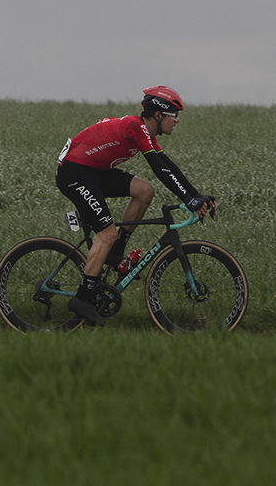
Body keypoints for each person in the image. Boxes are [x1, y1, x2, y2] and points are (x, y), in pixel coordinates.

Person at [55, 85, 216, 325]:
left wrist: (196, 195)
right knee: (105, 234)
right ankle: (82, 298)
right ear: (158, 115)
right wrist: (188, 199)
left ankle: (116, 250)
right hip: (75, 172)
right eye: (174, 116)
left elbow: (166, 164)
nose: (178, 121)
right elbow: (158, 168)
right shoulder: (135, 126)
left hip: (92, 170)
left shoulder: (146, 133)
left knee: (144, 191)